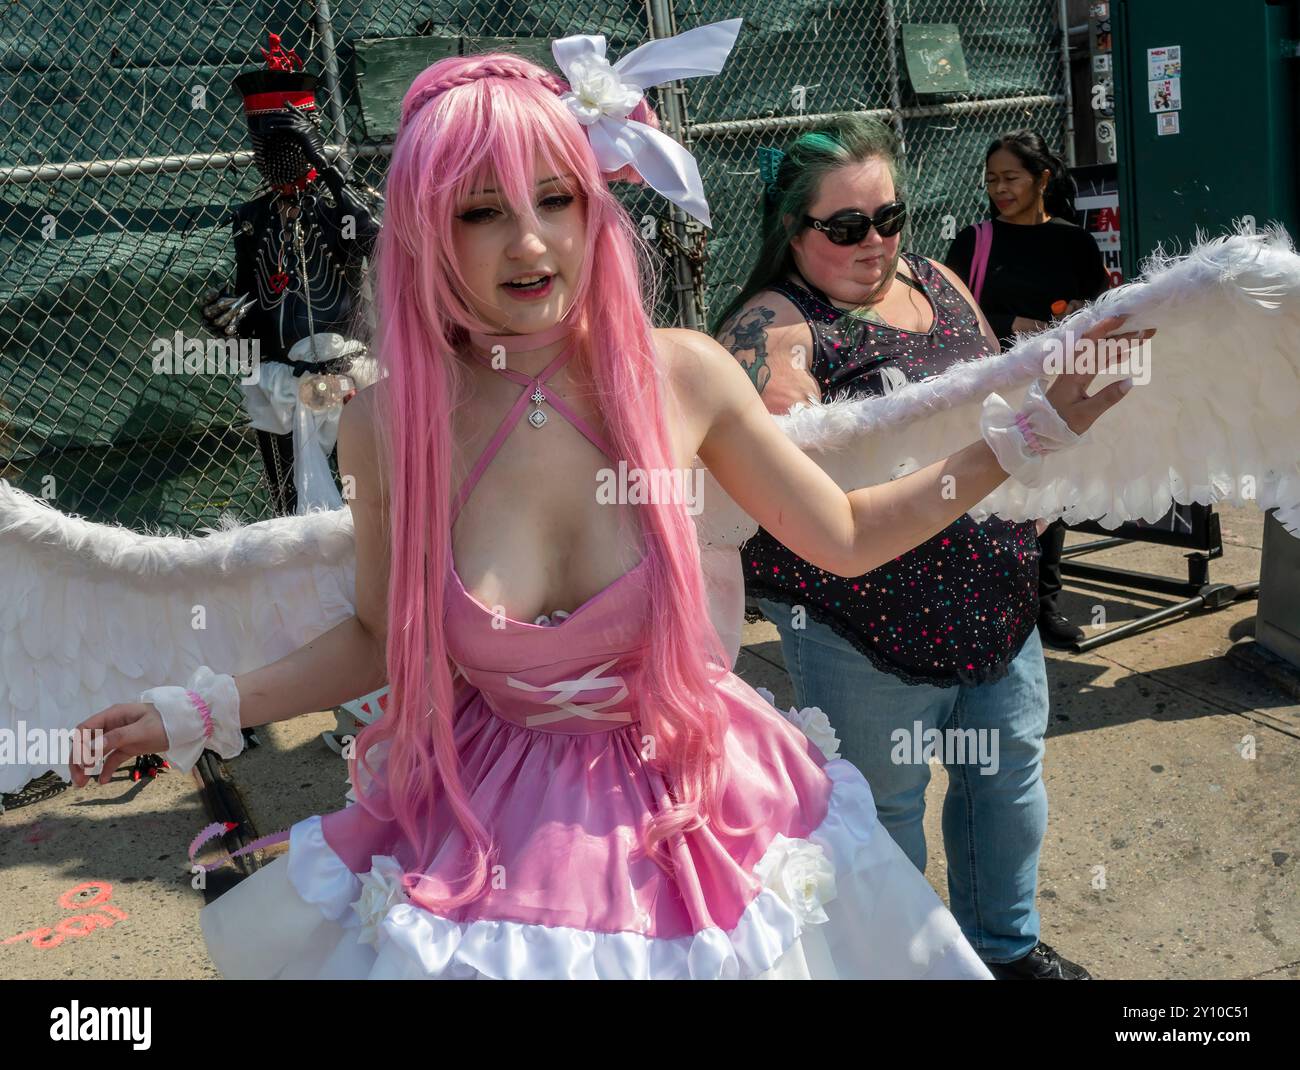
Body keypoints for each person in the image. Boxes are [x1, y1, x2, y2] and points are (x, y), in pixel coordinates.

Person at [68, 34, 1140, 979]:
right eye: (481, 210)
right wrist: (197, 709)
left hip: (703, 810)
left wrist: (1025, 434)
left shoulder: (681, 375)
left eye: (556, 198)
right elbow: (373, 633)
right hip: (489, 837)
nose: (529, 243)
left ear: (596, 199)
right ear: (426, 233)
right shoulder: (386, 425)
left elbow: (848, 534)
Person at [713, 115, 1140, 979]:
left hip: (995, 596)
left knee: (1007, 786)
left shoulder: (937, 278)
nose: (876, 242)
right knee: (884, 815)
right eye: (846, 228)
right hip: (863, 627)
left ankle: (1004, 951)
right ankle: (901, 966)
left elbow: (997, 392)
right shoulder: (770, 335)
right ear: (790, 230)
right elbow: (808, 503)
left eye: (890, 217)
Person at [944, 130, 1112, 649]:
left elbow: (1101, 308)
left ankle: (1044, 604)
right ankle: (983, 595)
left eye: (1011, 178)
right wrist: (1015, 321)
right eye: (992, 179)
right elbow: (945, 310)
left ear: (1041, 179)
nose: (1000, 188)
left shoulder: (1074, 241)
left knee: (1047, 490)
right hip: (988, 386)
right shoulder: (976, 240)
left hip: (1051, 386)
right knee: (983, 490)